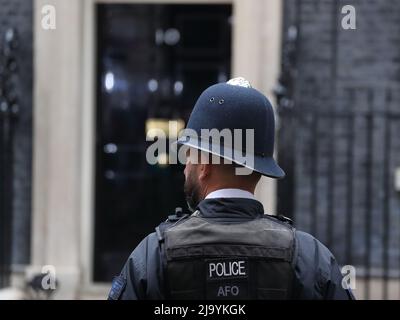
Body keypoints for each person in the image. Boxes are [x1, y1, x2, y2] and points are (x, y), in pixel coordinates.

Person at [108, 77, 354, 300]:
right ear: (258, 168)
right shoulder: (309, 257)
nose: (185, 168)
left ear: (204, 165)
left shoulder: (153, 256)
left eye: (189, 155)